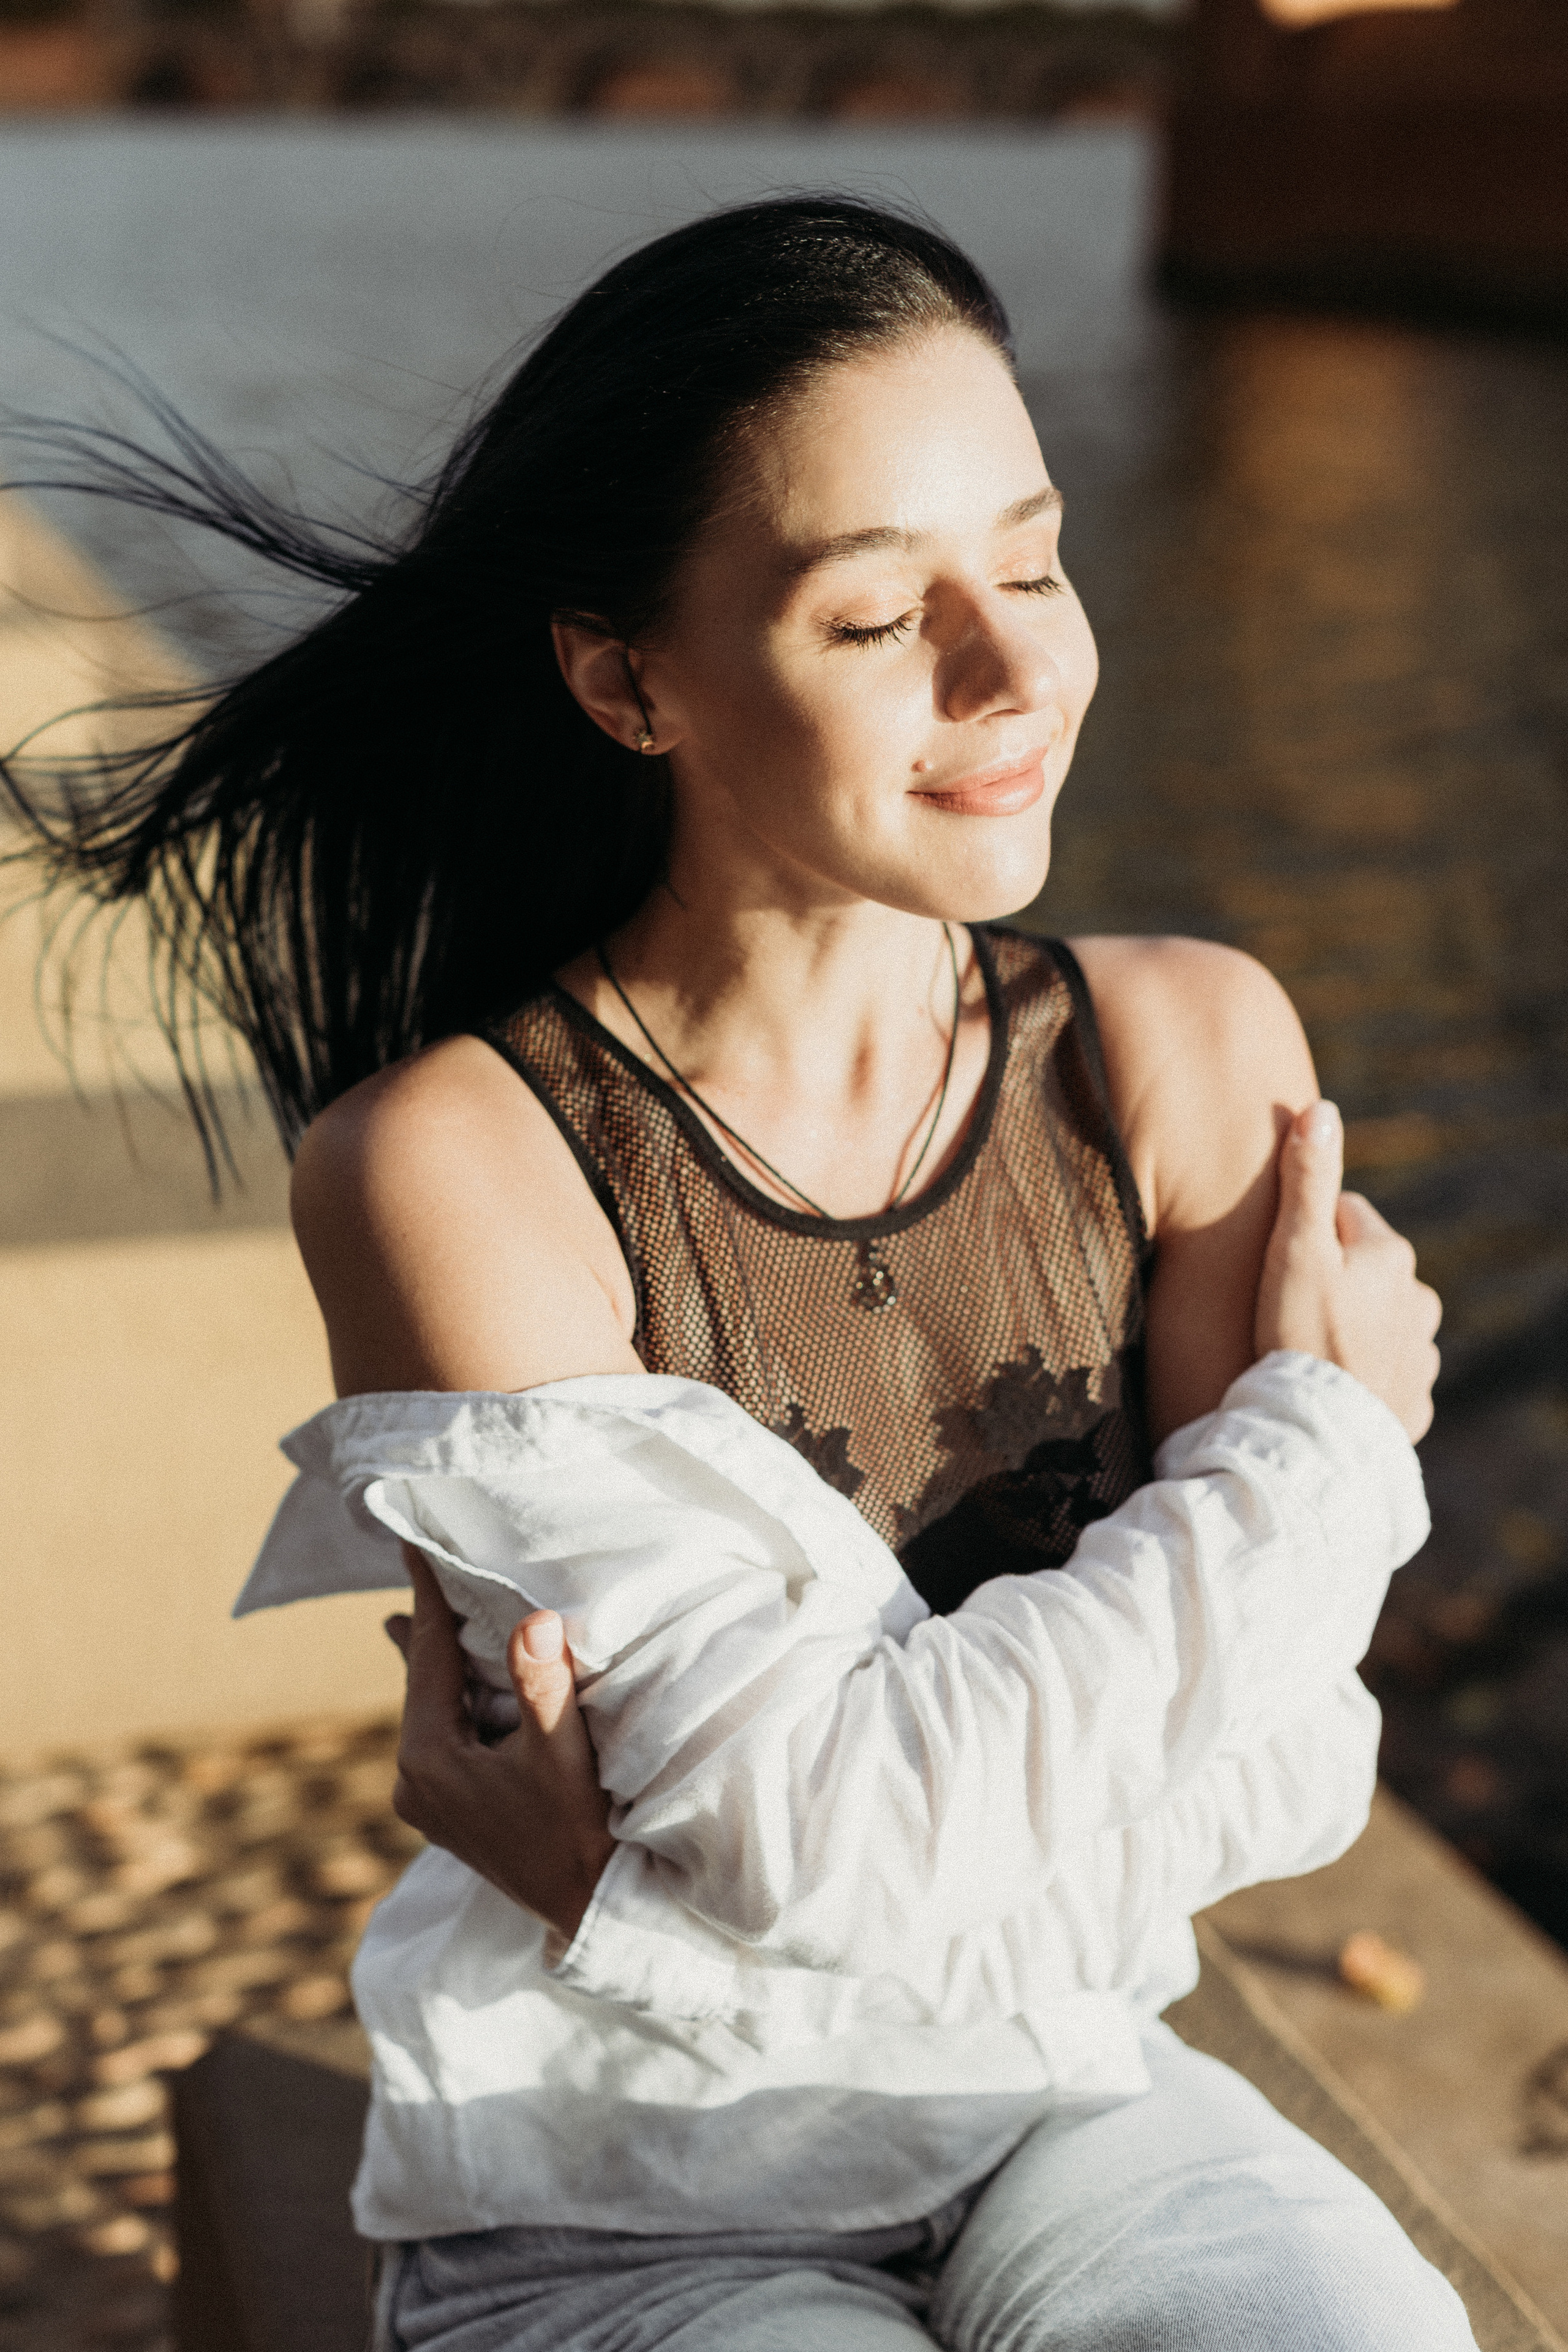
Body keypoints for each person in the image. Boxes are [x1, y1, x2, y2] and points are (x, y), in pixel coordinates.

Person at [7, 197, 1456, 2348]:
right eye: (878, 618)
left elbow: (1280, 1781)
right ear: (626, 678)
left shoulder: (1184, 1049)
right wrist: (1327, 1455)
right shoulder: (464, 1169)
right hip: (623, 2196)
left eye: (1037, 560)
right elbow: (843, 1849)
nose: (1012, 670)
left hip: (1069, 2102)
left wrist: (659, 1876)